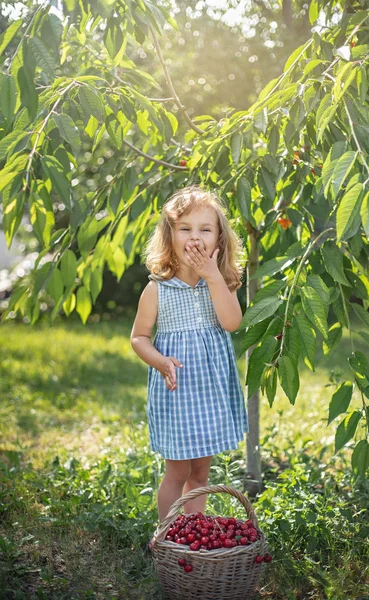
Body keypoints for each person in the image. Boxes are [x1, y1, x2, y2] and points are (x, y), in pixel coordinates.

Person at [130, 184, 249, 547]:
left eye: (205, 229)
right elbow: (139, 337)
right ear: (170, 237)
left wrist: (214, 277)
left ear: (219, 241)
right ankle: (166, 534)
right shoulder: (158, 290)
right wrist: (160, 360)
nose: (195, 237)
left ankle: (190, 533)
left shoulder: (221, 283)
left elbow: (231, 323)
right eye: (185, 228)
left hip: (209, 392)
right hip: (178, 390)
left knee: (201, 471)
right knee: (177, 469)